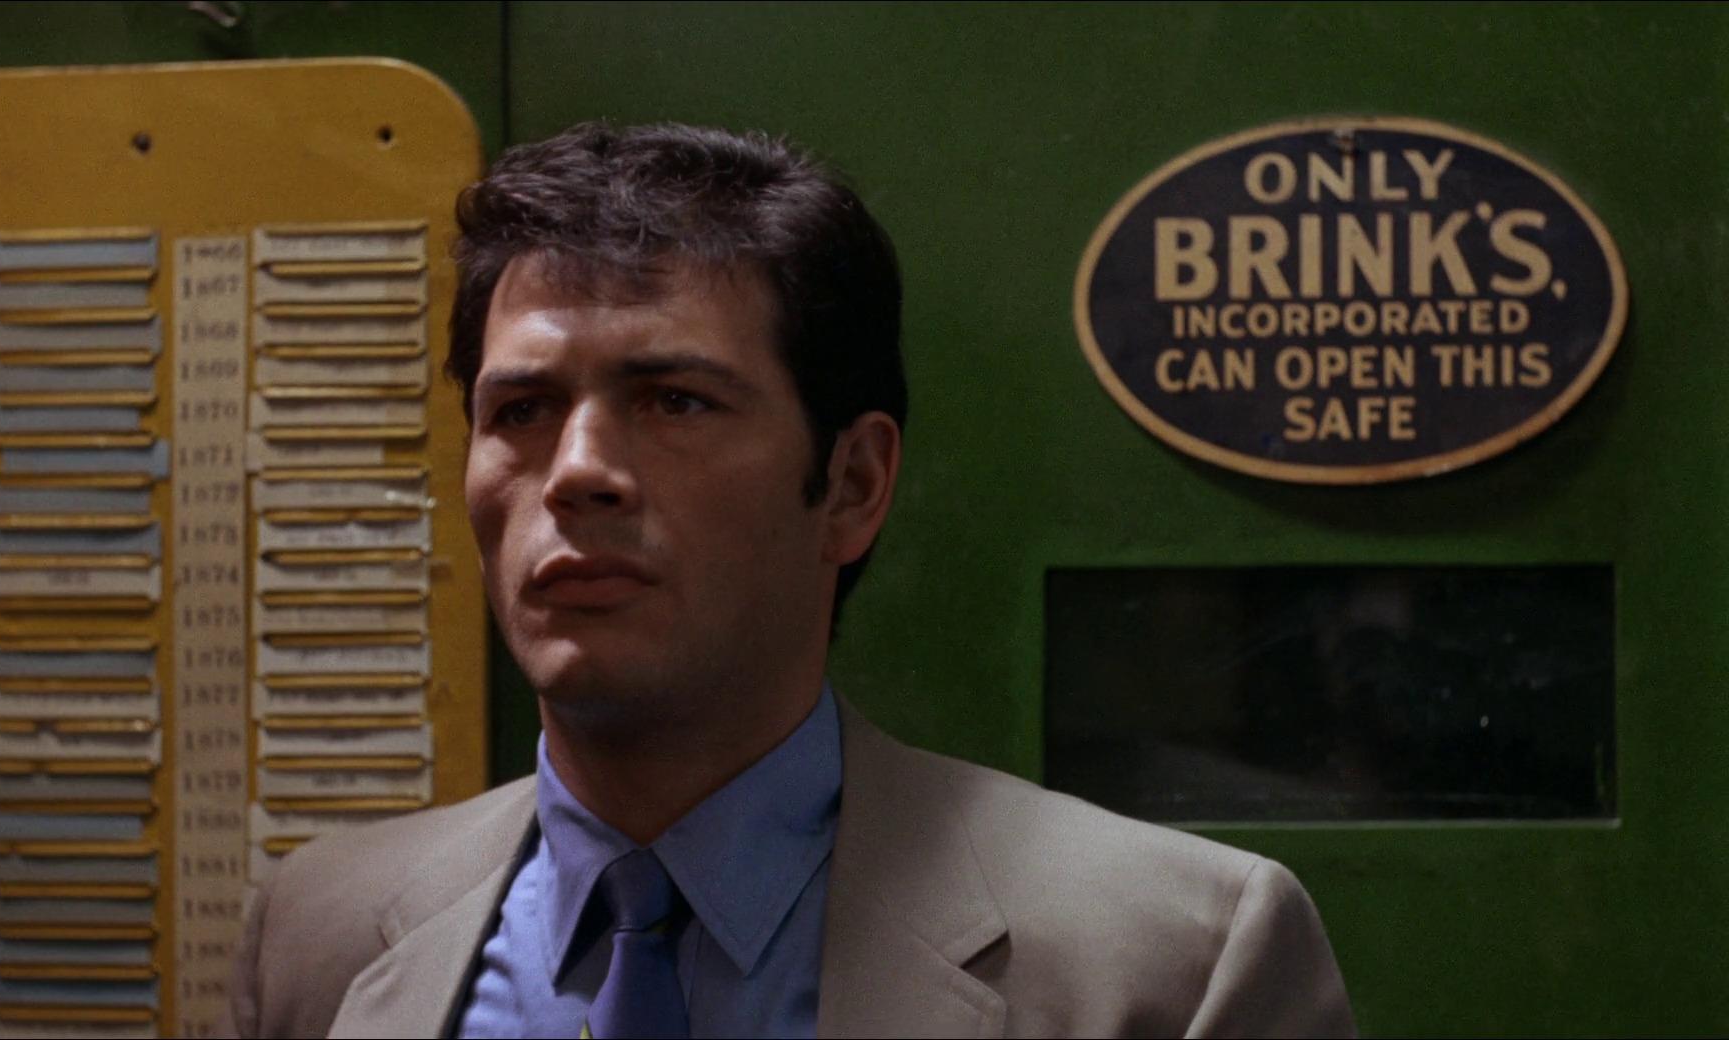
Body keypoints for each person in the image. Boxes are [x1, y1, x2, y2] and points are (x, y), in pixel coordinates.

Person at [220, 122, 1357, 1039]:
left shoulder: (1170, 963)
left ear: (852, 484)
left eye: (674, 401)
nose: (575, 472)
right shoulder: (321, 934)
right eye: (521, 410)